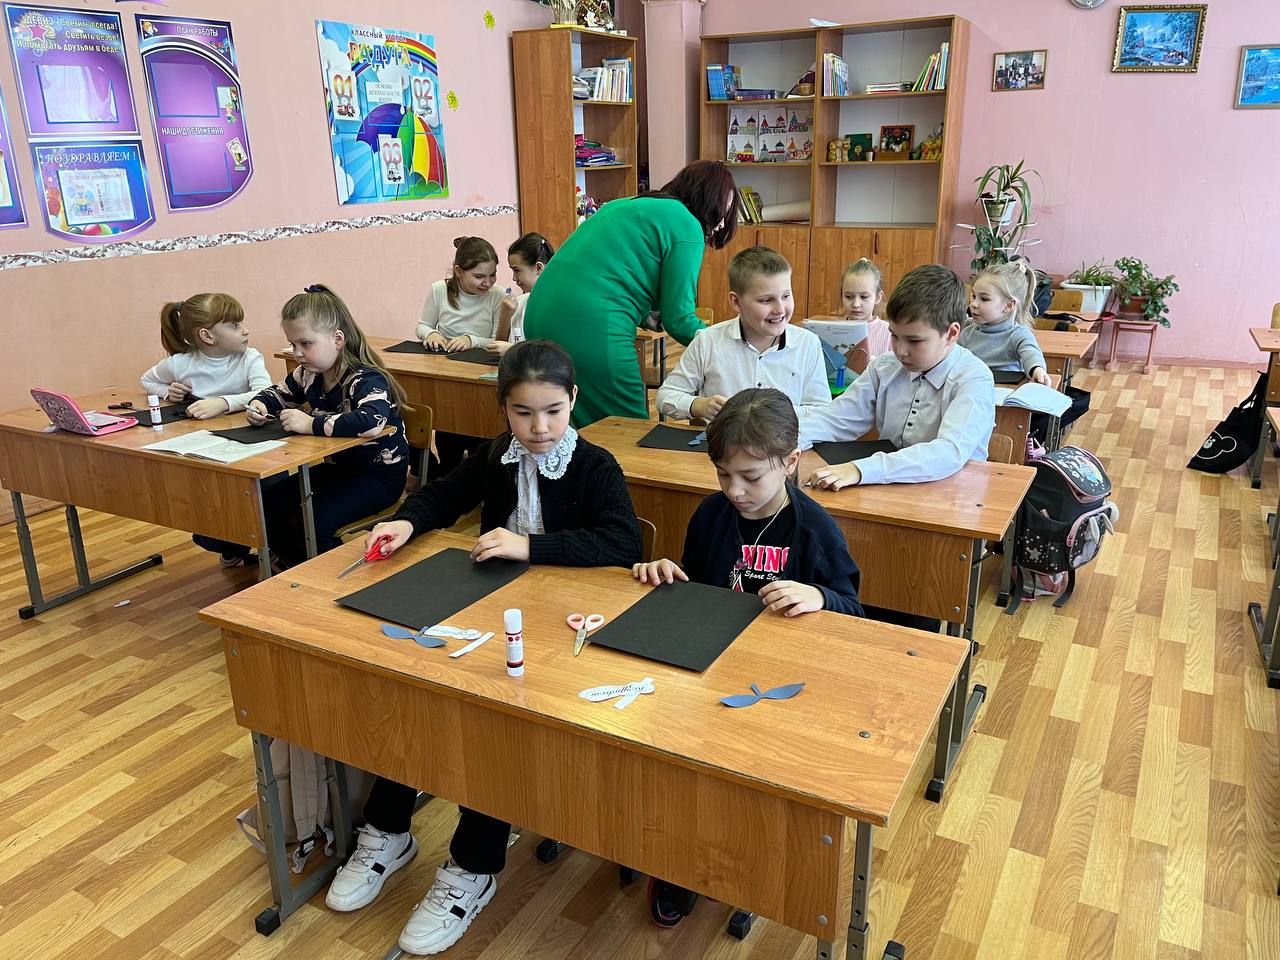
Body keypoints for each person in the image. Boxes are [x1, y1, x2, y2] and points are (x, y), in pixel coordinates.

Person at [324, 340, 642, 957]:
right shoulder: (498, 453)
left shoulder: (594, 464)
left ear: (573, 401)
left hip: (568, 630)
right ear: (503, 410)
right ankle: (387, 830)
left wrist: (529, 547)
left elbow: (623, 541)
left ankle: (473, 866)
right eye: (523, 413)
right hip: (495, 612)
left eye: (553, 411)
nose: (539, 427)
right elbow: (445, 494)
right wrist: (408, 521)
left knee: (495, 727)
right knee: (419, 693)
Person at [631, 387, 861, 927]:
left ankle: (745, 865)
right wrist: (667, 573)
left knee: (745, 784)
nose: (735, 490)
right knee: (680, 765)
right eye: (723, 475)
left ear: (790, 462)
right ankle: (680, 863)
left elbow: (854, 613)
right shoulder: (712, 514)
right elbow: (695, 584)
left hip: (781, 687)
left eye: (751, 477)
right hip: (710, 668)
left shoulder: (814, 530)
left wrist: (819, 596)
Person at [522, 159, 740, 427]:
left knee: (569, 425)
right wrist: (727, 346)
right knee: (627, 429)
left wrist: (645, 314)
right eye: (723, 209)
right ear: (708, 200)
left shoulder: (624, 204)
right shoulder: (687, 224)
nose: (722, 222)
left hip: (538, 312)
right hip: (591, 326)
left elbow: (607, 272)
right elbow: (680, 319)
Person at [246, 284, 409, 568]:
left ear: (337, 339)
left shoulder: (365, 378)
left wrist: (312, 423)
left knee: (318, 518)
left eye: (305, 344)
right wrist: (259, 404)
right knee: (270, 502)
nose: (297, 353)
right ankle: (293, 564)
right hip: (338, 470)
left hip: (379, 477)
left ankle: (328, 578)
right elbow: (277, 394)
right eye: (293, 344)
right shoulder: (307, 374)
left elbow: (371, 421)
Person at [800, 264, 995, 490]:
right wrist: (785, 439)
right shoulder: (885, 367)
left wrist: (861, 469)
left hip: (953, 496)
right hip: (889, 488)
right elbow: (836, 419)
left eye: (914, 341)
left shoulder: (974, 379)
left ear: (951, 334)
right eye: (894, 336)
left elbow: (948, 452)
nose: (900, 351)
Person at [140, 292, 272, 566]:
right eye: (235, 325)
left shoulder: (250, 358)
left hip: (250, 446)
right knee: (211, 506)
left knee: (260, 500)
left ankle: (270, 546)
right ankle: (231, 546)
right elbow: (147, 380)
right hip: (205, 450)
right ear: (207, 336)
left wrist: (223, 403)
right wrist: (168, 391)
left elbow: (266, 393)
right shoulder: (181, 363)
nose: (245, 331)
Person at [656, 246, 828, 421]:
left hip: (786, 439)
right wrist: (699, 405)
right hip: (722, 438)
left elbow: (821, 411)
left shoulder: (808, 343)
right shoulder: (707, 341)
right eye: (766, 300)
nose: (780, 309)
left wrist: (770, 414)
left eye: (786, 296)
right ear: (736, 302)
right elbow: (666, 396)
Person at [415, 236, 504, 474]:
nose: (487, 282)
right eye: (479, 276)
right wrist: (431, 334)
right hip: (447, 373)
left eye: (493, 275)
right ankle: (443, 471)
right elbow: (422, 325)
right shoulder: (439, 290)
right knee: (448, 434)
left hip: (479, 375)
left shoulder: (497, 296)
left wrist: (471, 340)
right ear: (458, 271)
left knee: (480, 437)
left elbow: (498, 340)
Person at [961, 259, 1050, 384]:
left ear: (1008, 306)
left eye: (984, 299)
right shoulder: (967, 330)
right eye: (974, 296)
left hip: (1006, 390)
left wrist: (1037, 369)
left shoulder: (1018, 334)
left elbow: (1031, 352)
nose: (974, 304)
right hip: (971, 387)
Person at [486, 232, 555, 357]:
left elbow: (553, 355)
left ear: (539, 268)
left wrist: (513, 350)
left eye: (516, 270)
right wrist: (505, 316)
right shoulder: (520, 302)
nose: (514, 278)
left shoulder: (556, 305)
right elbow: (498, 349)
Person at [840, 258, 891, 375]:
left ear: (878, 297)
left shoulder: (889, 332)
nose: (856, 304)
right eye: (848, 296)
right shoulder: (832, 330)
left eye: (864, 297)